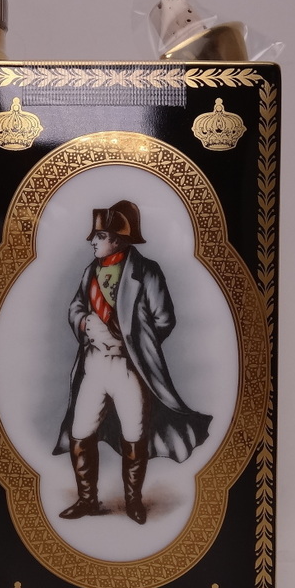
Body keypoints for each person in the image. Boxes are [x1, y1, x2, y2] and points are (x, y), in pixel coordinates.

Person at [53, 200, 212, 524]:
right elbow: (75, 307)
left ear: (118, 239)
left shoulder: (147, 271)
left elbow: (164, 320)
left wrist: (131, 342)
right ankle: (87, 500)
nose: (92, 241)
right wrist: (86, 323)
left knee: (134, 434)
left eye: (99, 236)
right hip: (94, 364)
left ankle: (133, 502)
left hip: (129, 368)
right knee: (80, 432)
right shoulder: (90, 270)